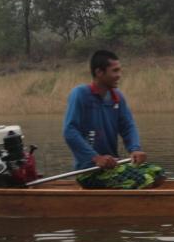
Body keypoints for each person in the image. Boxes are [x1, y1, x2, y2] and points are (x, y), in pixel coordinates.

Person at [63, 49, 165, 189]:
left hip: (114, 166)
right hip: (90, 171)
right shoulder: (80, 94)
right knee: (144, 180)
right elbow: (70, 131)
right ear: (99, 72)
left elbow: (128, 126)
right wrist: (96, 158)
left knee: (158, 173)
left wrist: (135, 149)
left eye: (119, 70)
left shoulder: (117, 97)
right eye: (115, 71)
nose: (119, 75)